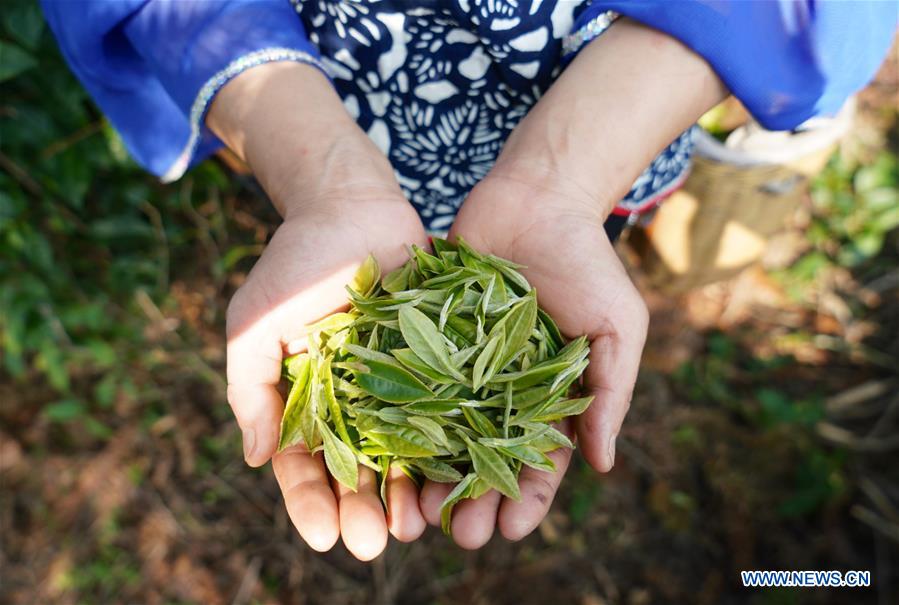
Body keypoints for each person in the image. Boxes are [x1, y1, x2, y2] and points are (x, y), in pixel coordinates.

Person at [41, 0, 895, 561]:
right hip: (324, 101)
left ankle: (606, 212)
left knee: (587, 237)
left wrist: (569, 177)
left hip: (612, 106)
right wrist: (317, 175)